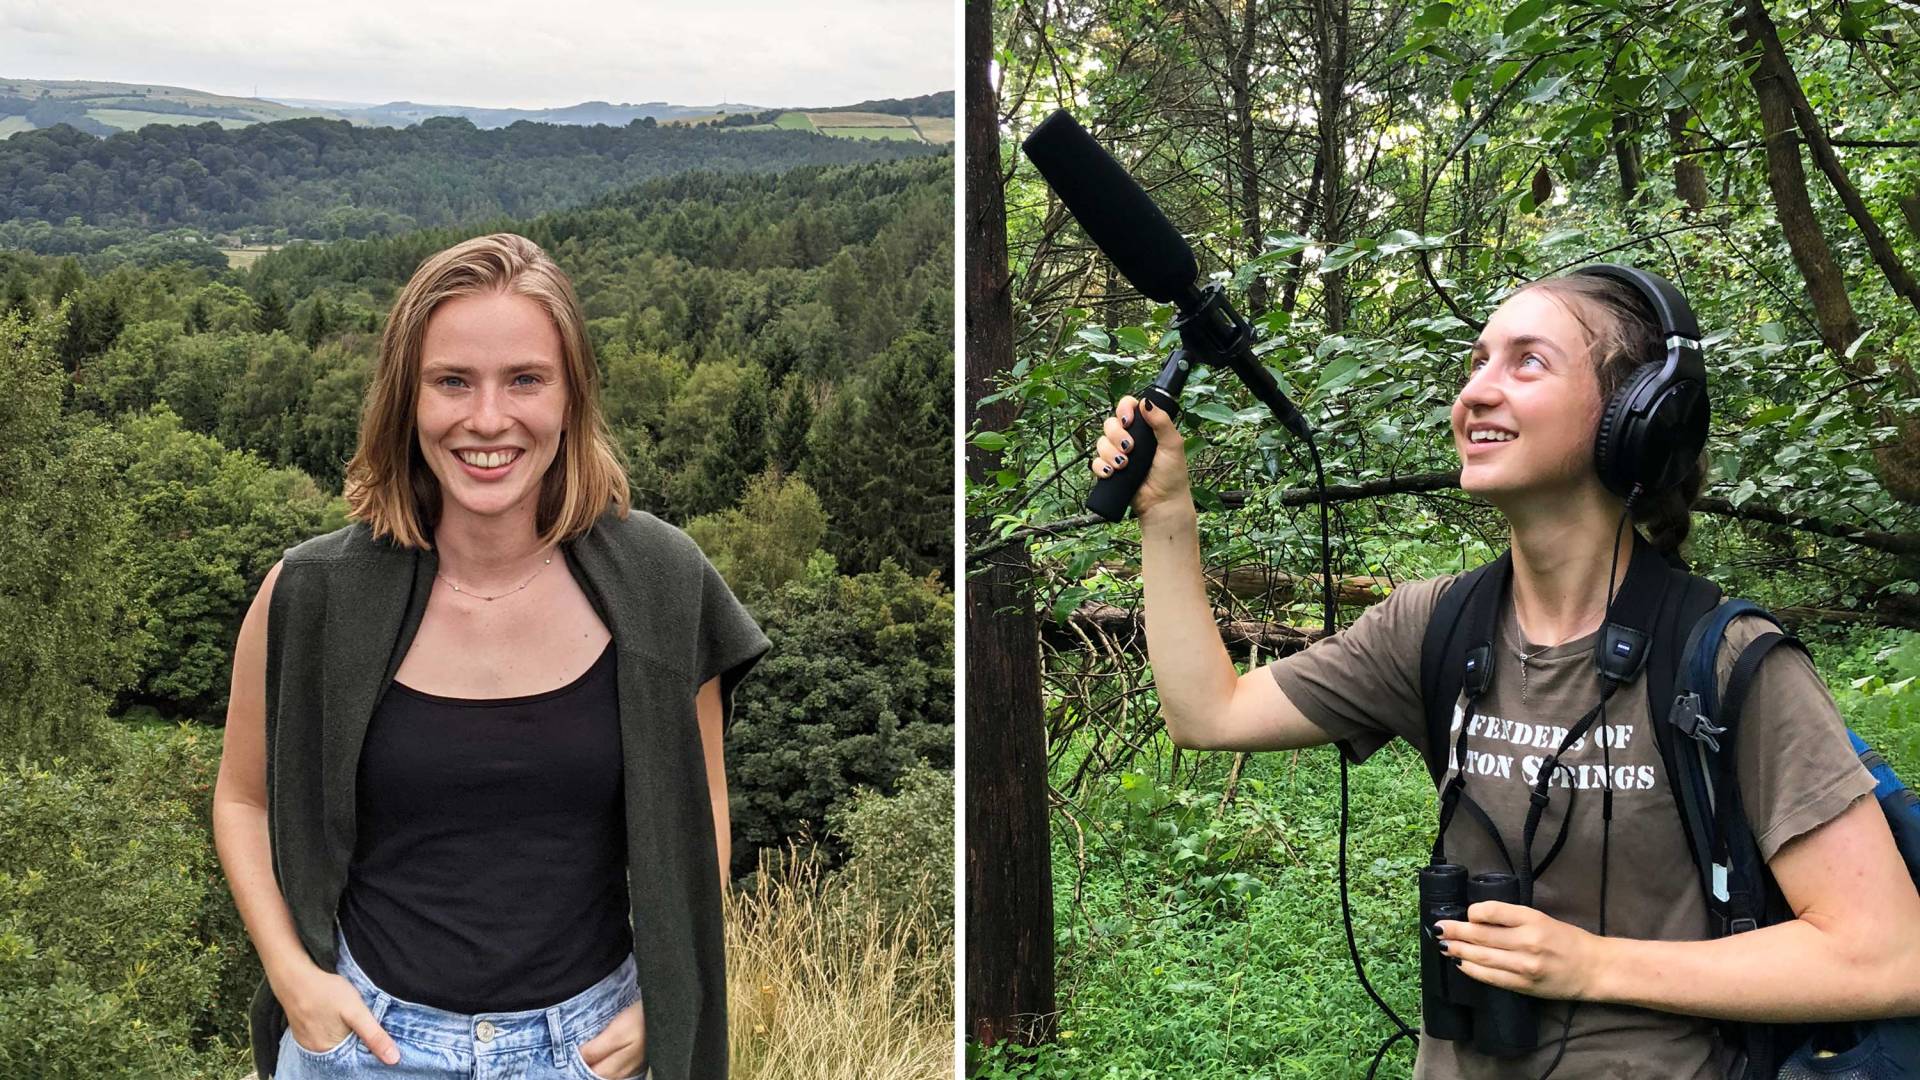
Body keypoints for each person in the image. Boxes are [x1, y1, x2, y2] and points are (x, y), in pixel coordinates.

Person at [1091, 268, 1920, 1077]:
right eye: (1478, 361)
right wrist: (1167, 514)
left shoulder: (1725, 659)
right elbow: (1210, 713)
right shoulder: (1434, 624)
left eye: (1528, 361)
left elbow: (1887, 955)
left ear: (1637, 416)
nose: (1477, 392)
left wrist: (1590, 965)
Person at [213, 233, 768, 1080]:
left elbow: (704, 812)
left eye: (525, 380)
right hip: (365, 1046)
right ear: (407, 399)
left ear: (572, 397)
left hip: (587, 1053)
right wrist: (295, 982)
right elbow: (243, 799)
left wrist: (669, 994)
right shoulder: (310, 594)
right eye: (452, 382)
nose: (487, 419)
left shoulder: (662, 584)